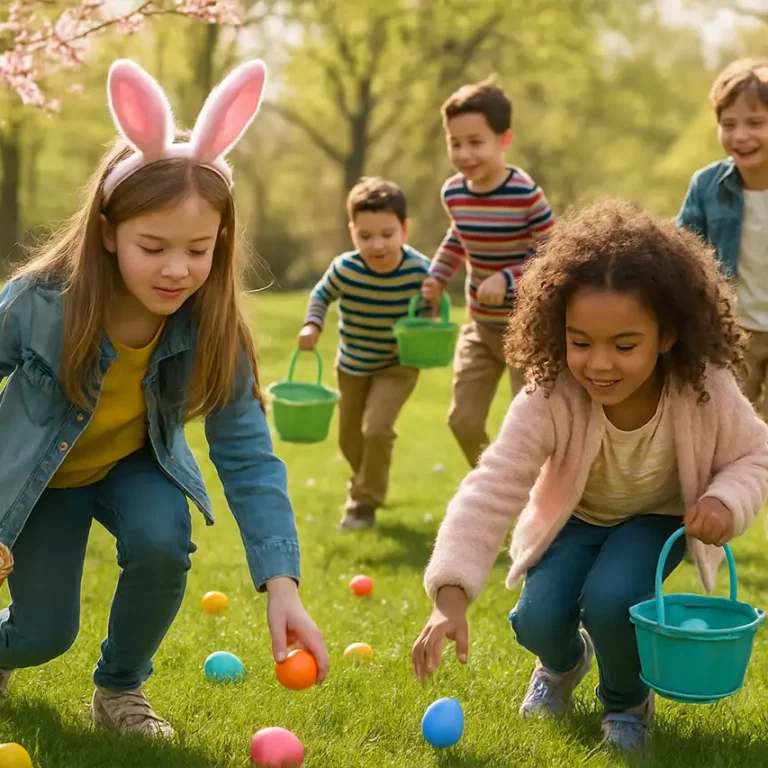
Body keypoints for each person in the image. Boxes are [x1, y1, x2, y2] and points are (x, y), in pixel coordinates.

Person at [0, 59, 328, 737]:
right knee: (40, 636)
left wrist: (282, 583)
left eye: (199, 249)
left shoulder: (211, 324)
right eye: (153, 246)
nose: (177, 269)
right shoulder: (39, 305)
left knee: (162, 539)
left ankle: (121, 688)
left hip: (131, 465)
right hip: (40, 483)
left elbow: (246, 449)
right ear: (110, 230)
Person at [412, 199, 768, 752]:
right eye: (581, 342)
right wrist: (451, 593)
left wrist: (725, 500)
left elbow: (756, 455)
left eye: (625, 346)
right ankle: (563, 665)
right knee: (535, 619)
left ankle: (625, 703)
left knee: (612, 602)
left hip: (656, 518)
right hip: (578, 517)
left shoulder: (702, 386)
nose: (599, 364)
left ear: (667, 336)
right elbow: (493, 484)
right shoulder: (550, 391)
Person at [421, 77, 554, 466]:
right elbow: (458, 238)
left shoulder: (525, 193)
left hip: (525, 328)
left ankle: (534, 504)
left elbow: (553, 252)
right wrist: (437, 275)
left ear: (504, 140)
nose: (464, 153)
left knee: (525, 428)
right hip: (480, 326)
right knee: (462, 420)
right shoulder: (454, 193)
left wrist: (508, 278)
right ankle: (494, 489)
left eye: (475, 142)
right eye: (455, 143)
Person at [298, 177, 430, 530]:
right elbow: (320, 295)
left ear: (405, 229)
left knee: (376, 430)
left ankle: (363, 505)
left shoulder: (420, 270)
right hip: (353, 364)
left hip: (397, 364)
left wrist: (428, 315)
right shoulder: (346, 268)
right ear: (352, 231)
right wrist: (313, 325)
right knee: (348, 439)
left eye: (387, 234)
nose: (377, 245)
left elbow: (433, 307)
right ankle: (366, 483)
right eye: (366, 236)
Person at [678, 58, 768, 411]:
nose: (740, 135)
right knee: (729, 425)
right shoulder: (707, 185)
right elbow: (682, 254)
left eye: (756, 123)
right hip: (732, 333)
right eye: (728, 124)